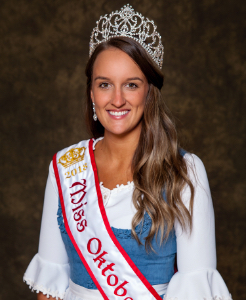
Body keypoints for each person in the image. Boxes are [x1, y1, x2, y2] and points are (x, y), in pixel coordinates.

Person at [23, 5, 232, 300]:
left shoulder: (185, 170)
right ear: (92, 93)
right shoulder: (64, 166)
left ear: (149, 92)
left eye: (131, 85)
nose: (117, 99)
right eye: (104, 84)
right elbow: (50, 289)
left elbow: (195, 290)